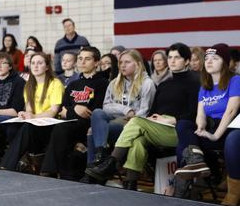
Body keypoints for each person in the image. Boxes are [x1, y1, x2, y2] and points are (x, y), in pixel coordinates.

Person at [85, 43, 200, 189]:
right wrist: (152, 117)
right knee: (137, 141)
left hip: (178, 130)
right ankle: (131, 182)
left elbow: (194, 112)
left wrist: (172, 119)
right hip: (158, 127)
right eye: (170, 57)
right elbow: (152, 111)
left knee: (137, 121)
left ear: (187, 61)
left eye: (177, 57)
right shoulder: (165, 84)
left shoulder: (194, 82)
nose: (172, 60)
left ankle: (112, 161)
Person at [173, 44, 240, 206]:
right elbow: (200, 114)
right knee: (183, 127)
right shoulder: (204, 86)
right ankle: (186, 184)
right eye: (207, 58)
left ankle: (234, 193)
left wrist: (215, 135)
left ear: (225, 62)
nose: (209, 61)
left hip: (230, 129)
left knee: (232, 141)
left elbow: (230, 112)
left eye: (215, 58)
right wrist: (201, 128)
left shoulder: (235, 80)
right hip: (210, 128)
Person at [40, 47, 108, 179]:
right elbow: (62, 111)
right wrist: (76, 109)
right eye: (80, 59)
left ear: (96, 62)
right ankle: (60, 172)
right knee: (56, 127)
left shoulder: (103, 83)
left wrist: (71, 111)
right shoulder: (73, 84)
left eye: (87, 59)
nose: (82, 62)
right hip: (71, 123)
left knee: (61, 128)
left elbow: (94, 111)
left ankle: (49, 170)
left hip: (88, 125)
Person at [84, 49, 155, 170]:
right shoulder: (114, 83)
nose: (122, 65)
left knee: (92, 130)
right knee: (97, 113)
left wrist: (131, 117)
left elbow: (145, 110)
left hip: (134, 124)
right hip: (117, 119)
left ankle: (94, 166)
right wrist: (126, 110)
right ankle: (100, 153)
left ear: (137, 64)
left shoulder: (147, 83)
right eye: (121, 62)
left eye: (127, 62)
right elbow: (106, 106)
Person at [0, 53, 64, 171]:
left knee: (28, 128)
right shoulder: (28, 86)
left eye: (40, 63)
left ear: (47, 67)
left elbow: (53, 111)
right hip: (35, 125)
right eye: (33, 63)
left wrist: (33, 116)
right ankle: (22, 162)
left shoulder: (55, 83)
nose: (35, 66)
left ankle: (7, 165)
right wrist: (24, 114)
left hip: (51, 125)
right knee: (13, 127)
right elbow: (29, 110)